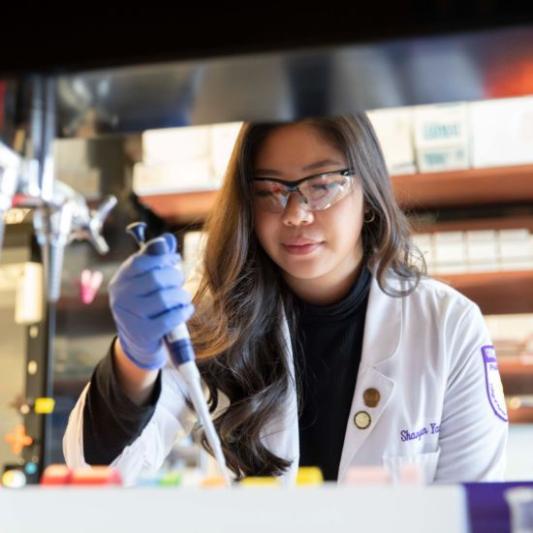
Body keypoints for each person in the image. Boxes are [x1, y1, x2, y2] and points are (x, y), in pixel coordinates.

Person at [63, 114, 508, 485]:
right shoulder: (215, 326)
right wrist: (134, 359)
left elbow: (474, 507)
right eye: (270, 190)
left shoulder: (448, 325)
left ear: (367, 193)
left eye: (322, 184)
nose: (295, 213)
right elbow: (99, 471)